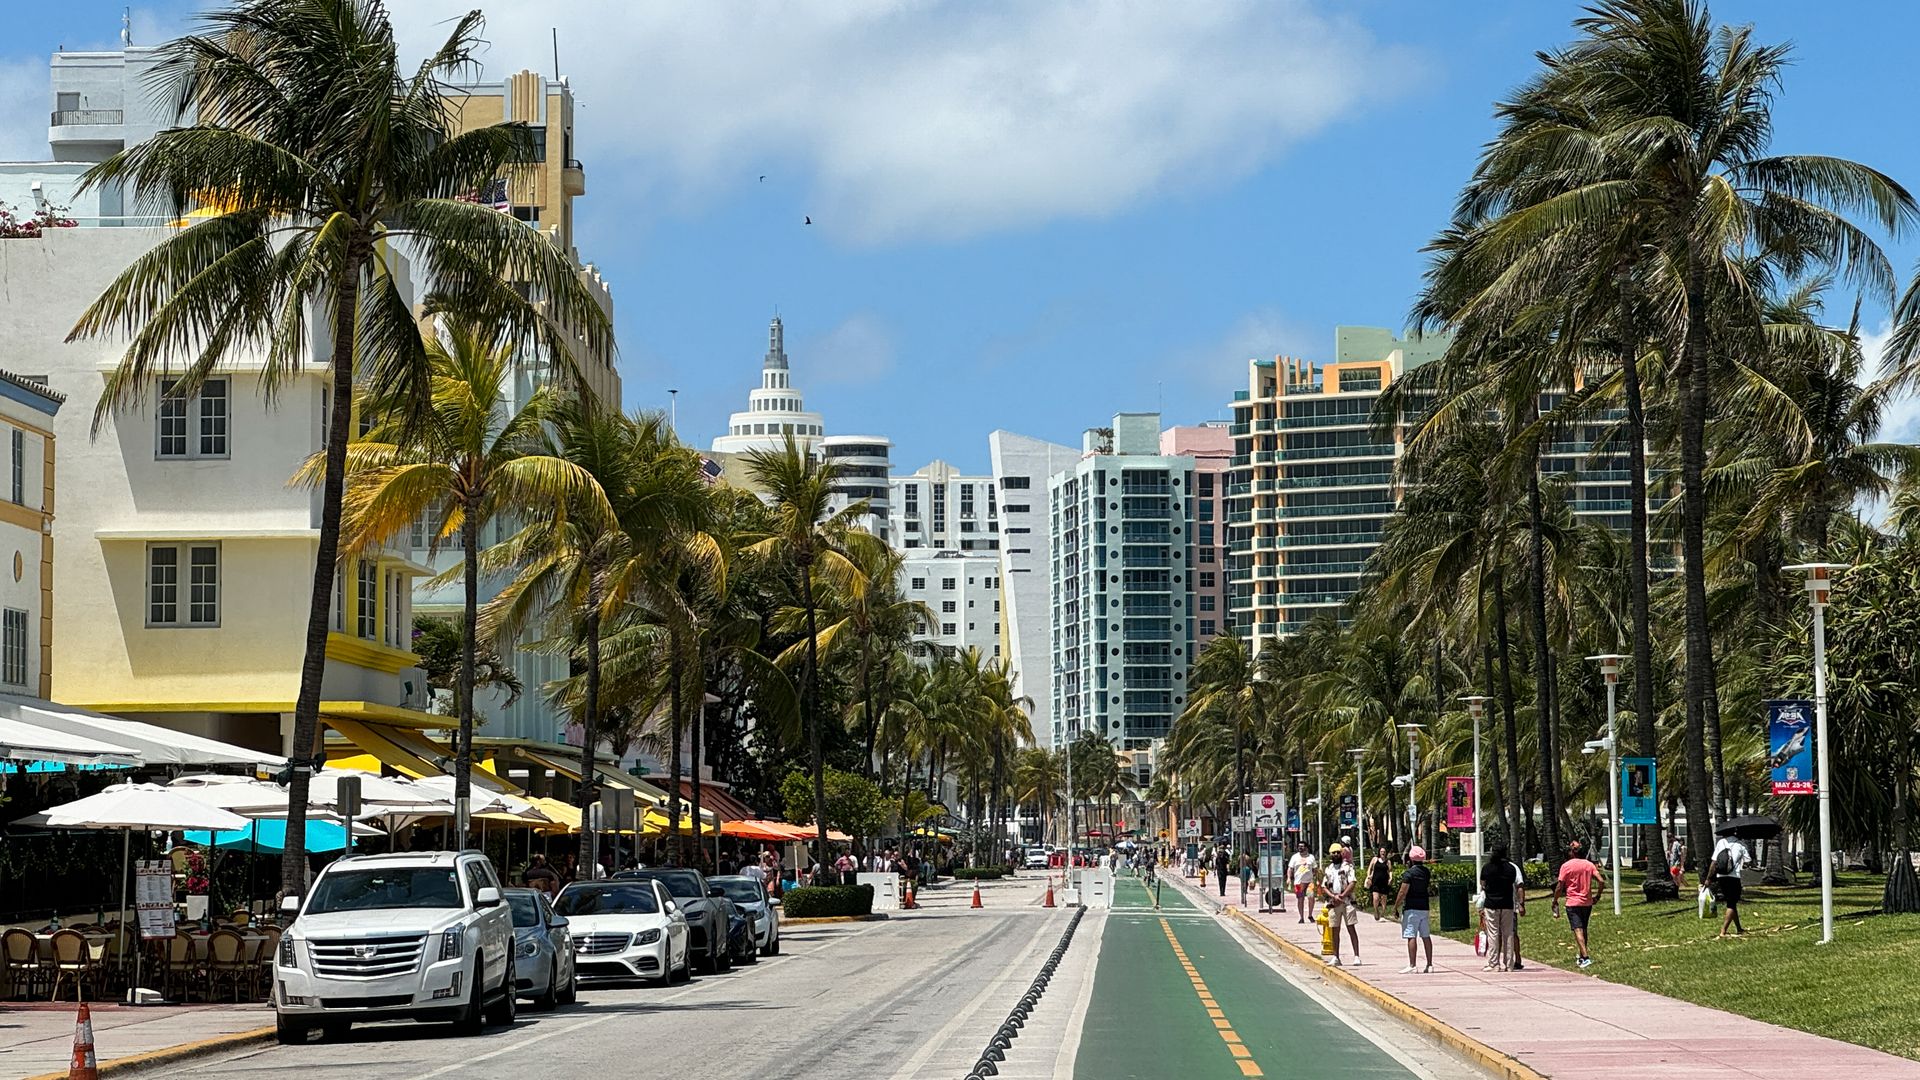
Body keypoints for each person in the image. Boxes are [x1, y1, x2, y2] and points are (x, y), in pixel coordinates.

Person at [1552, 840, 1605, 969]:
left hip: (1573, 902)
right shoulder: (1589, 865)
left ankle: (1586, 957)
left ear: (1572, 853)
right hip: (1587, 902)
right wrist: (1597, 895)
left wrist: (1555, 900)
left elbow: (1560, 886)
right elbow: (1601, 881)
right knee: (1584, 929)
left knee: (1577, 929)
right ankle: (1582, 955)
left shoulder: (1566, 866)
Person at [1478, 844, 1524, 972]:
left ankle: (1494, 963)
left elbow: (1483, 884)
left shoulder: (1487, 868)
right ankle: (1509, 964)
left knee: (1493, 934)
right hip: (1507, 904)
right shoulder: (1511, 869)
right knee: (1508, 933)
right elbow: (1515, 884)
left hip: (1491, 904)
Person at [1394, 845, 1433, 973]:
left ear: (1410, 860)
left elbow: (1402, 891)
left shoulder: (1409, 874)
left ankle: (1412, 965)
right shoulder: (1426, 872)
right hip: (1424, 907)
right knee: (1426, 936)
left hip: (1411, 908)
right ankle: (1429, 964)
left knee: (1411, 936)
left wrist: (1396, 906)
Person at [1321, 844, 1361, 967]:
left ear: (1342, 854)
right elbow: (1324, 886)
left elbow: (1352, 882)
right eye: (1333, 853)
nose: (1335, 855)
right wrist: (1333, 897)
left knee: (1351, 928)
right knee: (1334, 930)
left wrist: (1342, 895)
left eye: (1338, 852)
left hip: (1347, 902)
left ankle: (1356, 956)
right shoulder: (1328, 869)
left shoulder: (1348, 867)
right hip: (1333, 903)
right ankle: (1336, 956)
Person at [1710, 834, 1751, 938]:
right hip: (1734, 877)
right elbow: (1747, 861)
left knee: (1731, 902)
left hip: (1721, 876)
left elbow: (1714, 862)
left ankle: (1739, 928)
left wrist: (1708, 878)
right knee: (1732, 904)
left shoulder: (1721, 842)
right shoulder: (1741, 844)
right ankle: (1723, 931)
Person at [1287, 843, 1320, 923]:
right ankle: (1301, 917)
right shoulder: (1294, 857)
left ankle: (1310, 915)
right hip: (1298, 882)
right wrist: (1288, 878)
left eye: (1302, 846)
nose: (1300, 848)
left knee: (1311, 897)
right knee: (1300, 899)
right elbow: (1290, 868)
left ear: (1306, 848)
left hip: (1309, 882)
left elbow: (1315, 869)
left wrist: (1317, 878)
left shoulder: (1311, 857)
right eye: (1299, 846)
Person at [1366, 847, 1394, 921]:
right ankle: (1376, 911)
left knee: (1384, 899)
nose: (1383, 853)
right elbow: (1370, 868)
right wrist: (1368, 876)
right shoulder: (1375, 859)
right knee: (1376, 898)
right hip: (1375, 882)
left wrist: (1391, 877)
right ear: (1379, 852)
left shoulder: (1388, 862)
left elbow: (1390, 870)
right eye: (1381, 851)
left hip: (1384, 882)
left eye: (1384, 851)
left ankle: (1383, 913)